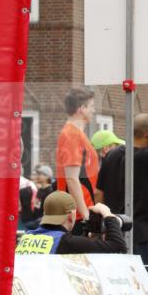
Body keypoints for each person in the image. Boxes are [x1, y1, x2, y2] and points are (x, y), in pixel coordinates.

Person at [96, 112, 148, 266]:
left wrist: (104, 223)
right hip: (143, 234)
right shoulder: (147, 157)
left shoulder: (112, 155)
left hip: (114, 231)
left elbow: (98, 192)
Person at [15, 191, 127, 254]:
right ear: (70, 215)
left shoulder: (26, 237)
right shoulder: (65, 242)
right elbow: (118, 246)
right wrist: (108, 214)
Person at [56, 87, 99, 222]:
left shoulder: (75, 133)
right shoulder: (72, 135)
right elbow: (72, 179)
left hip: (79, 213)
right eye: (92, 106)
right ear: (82, 109)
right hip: (77, 217)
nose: (94, 110)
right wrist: (85, 214)